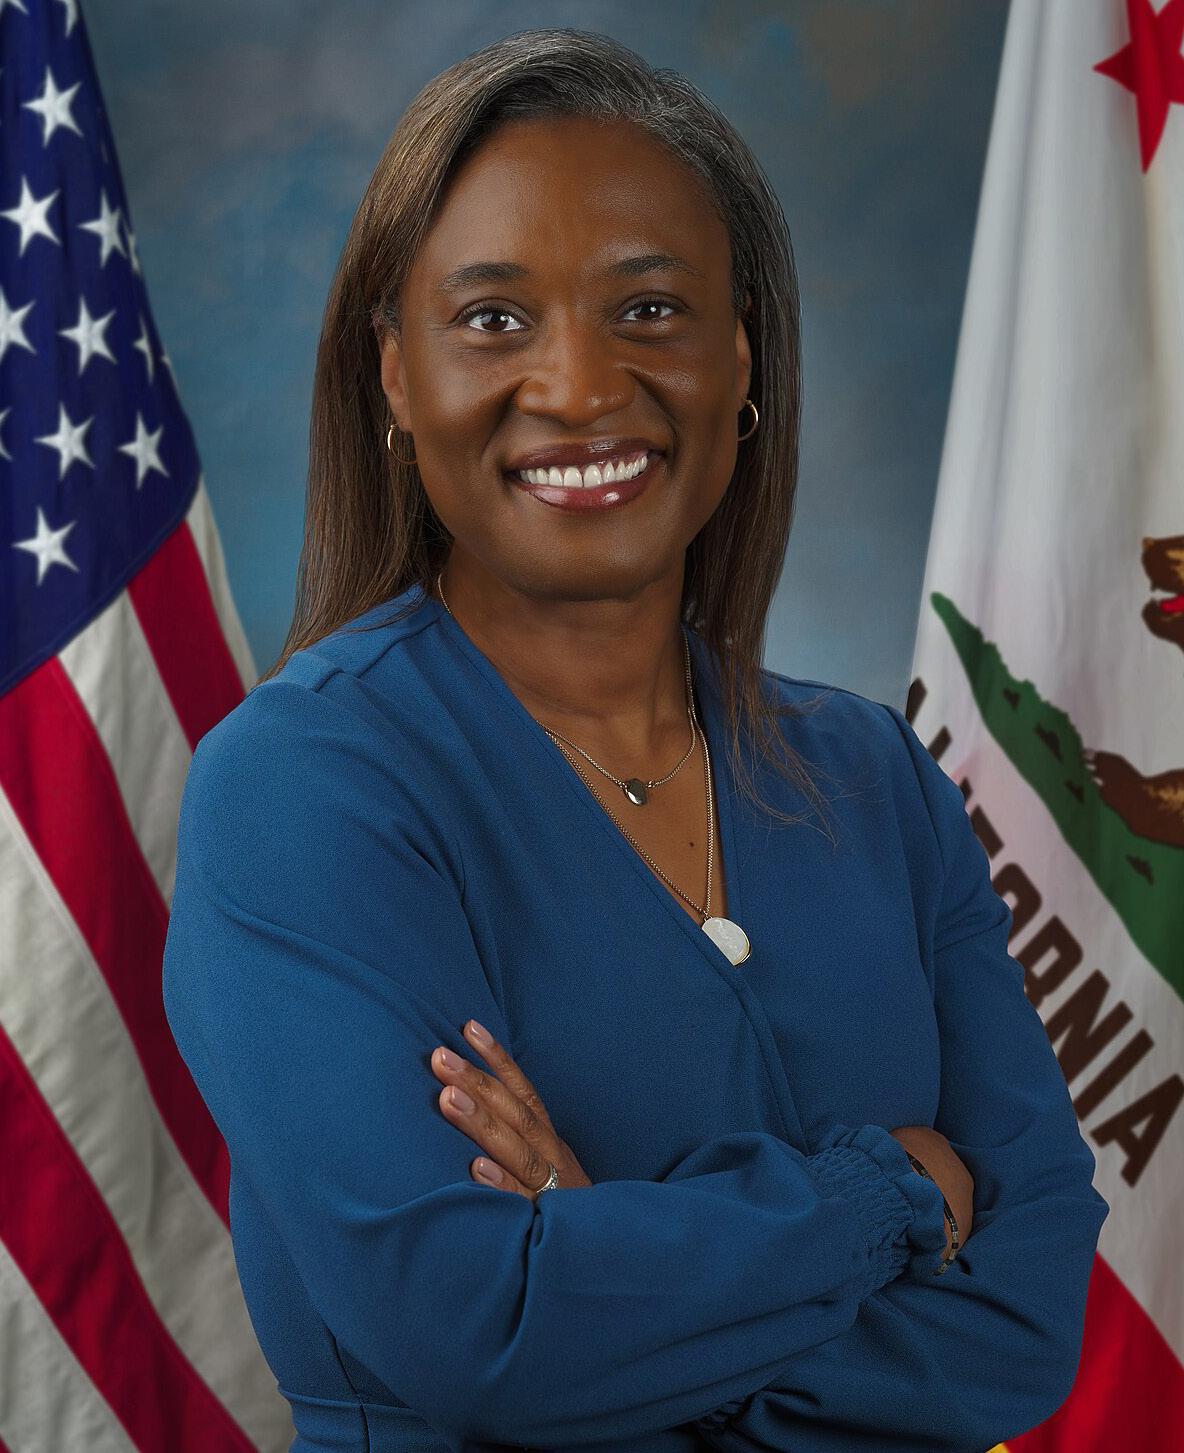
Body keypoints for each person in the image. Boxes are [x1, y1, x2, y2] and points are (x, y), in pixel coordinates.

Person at [161, 26, 1109, 1453]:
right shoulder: (303, 789)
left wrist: (608, 1266)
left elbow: (1030, 1318)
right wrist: (888, 1196)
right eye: (494, 319)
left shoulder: (876, 777)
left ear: (743, 360)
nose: (582, 387)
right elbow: (480, 1325)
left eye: (651, 308)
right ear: (396, 376)